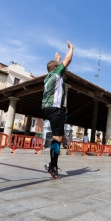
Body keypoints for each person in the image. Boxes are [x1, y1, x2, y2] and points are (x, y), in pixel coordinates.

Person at [42, 41, 73, 179]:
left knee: (58, 136)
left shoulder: (48, 77)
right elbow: (68, 59)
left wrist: (57, 60)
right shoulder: (57, 74)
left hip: (46, 109)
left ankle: (53, 164)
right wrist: (71, 49)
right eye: (58, 65)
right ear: (56, 68)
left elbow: (56, 65)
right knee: (57, 138)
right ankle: (52, 166)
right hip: (55, 109)